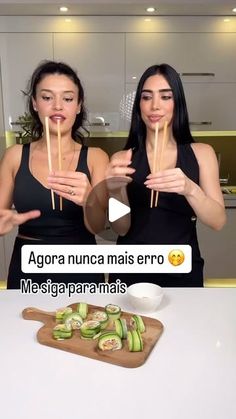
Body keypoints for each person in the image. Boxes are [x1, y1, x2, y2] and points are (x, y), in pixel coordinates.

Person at [106, 63, 226, 287]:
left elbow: (218, 221)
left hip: (181, 266)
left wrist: (190, 189)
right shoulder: (121, 159)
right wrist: (114, 191)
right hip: (130, 269)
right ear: (139, 105)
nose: (154, 106)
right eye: (146, 97)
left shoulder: (202, 154)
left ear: (177, 103)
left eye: (165, 97)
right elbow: (120, 228)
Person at [0, 60, 109, 289]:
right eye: (47, 97)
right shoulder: (14, 156)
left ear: (78, 106)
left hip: (81, 269)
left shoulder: (97, 158)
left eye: (68, 98)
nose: (57, 106)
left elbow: (102, 226)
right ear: (35, 104)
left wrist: (91, 201)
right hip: (27, 269)